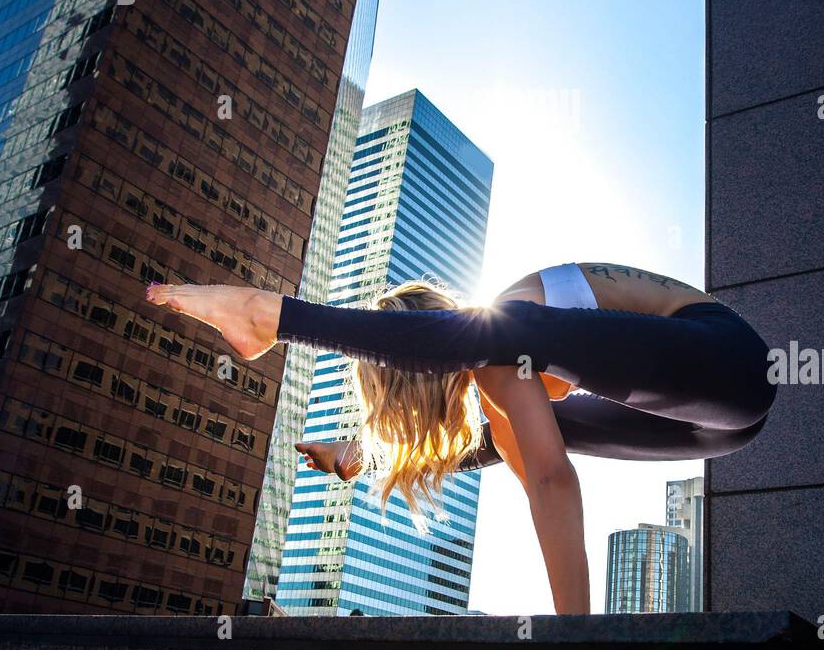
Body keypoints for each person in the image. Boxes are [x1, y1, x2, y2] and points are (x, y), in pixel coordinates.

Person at [146, 263, 775, 614]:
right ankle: (294, 351)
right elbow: (522, 467)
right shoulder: (500, 385)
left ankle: (270, 314)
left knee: (500, 334)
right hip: (718, 422)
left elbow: (556, 485)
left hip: (727, 356)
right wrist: (357, 458)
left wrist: (578, 636)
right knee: (513, 441)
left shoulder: (504, 328)